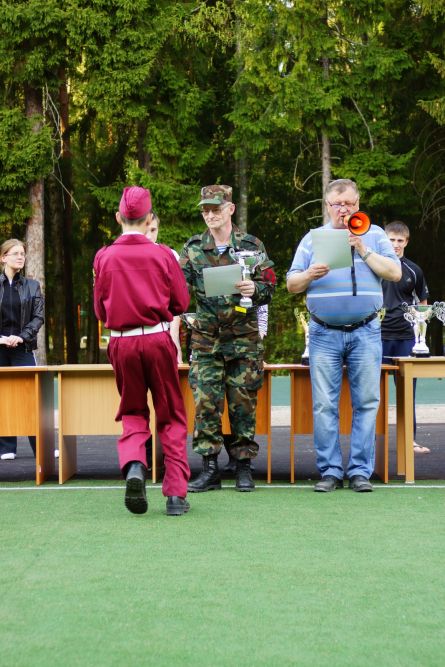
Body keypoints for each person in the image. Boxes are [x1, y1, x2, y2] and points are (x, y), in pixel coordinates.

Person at [287, 179, 401, 492]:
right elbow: (292, 284)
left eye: (349, 203)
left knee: (366, 402)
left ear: (358, 204)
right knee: (324, 405)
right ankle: (331, 471)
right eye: (337, 204)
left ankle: (360, 472)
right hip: (323, 333)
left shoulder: (374, 234)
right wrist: (310, 274)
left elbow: (394, 273)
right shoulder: (313, 239)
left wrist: (362, 248)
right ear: (327, 206)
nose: (343, 209)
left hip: (365, 331)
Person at [93, 186, 191, 516]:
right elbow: (181, 303)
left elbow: (100, 310)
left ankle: (135, 464)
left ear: (118, 217)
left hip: (121, 341)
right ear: (149, 219)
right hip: (157, 339)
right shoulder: (163, 254)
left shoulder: (104, 256)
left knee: (133, 410)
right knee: (171, 413)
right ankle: (175, 495)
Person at [180, 184, 276, 492]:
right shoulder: (193, 248)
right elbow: (178, 289)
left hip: (243, 340)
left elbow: (270, 285)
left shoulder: (251, 245)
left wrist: (255, 289)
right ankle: (209, 468)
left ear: (230, 209)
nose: (210, 215)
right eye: (205, 210)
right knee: (206, 404)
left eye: (216, 209)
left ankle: (243, 467)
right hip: (206, 340)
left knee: (242, 404)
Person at [381, 221, 430, 454]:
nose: (396, 245)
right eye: (391, 240)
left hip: (406, 338)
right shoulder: (374, 267)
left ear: (407, 242)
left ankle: (410, 440)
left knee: (407, 392)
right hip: (377, 337)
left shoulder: (414, 270)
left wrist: (420, 333)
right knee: (372, 393)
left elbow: (423, 304)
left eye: (400, 240)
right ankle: (372, 443)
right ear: (385, 240)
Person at [0, 239, 44, 460]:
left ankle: (41, 448)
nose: (20, 257)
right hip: (0, 348)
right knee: (2, 397)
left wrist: (21, 336)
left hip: (22, 348)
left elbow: (38, 317)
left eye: (23, 254)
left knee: (31, 398)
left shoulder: (32, 286)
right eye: (15, 253)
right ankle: (6, 448)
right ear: (3, 258)